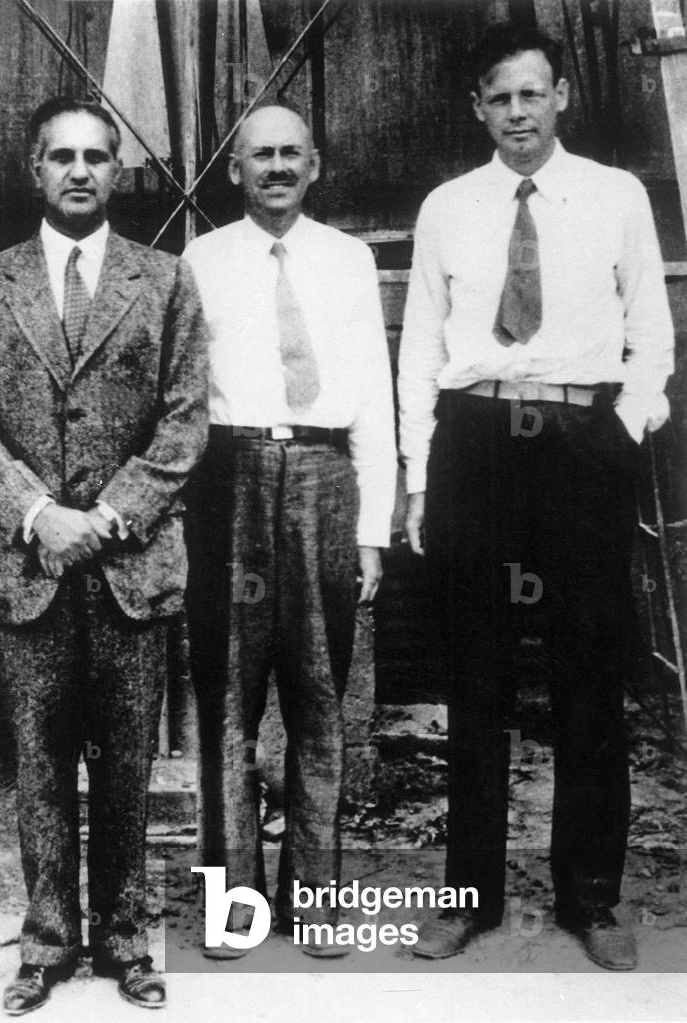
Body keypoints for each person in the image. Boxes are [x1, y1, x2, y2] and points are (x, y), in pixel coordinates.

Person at [398, 23, 673, 970]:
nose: (517, 113)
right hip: (477, 442)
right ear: (478, 107)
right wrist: (421, 474)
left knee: (589, 674)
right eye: (498, 97)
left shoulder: (616, 196)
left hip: (579, 442)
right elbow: (420, 351)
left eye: (532, 94)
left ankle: (591, 896)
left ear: (560, 96)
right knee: (476, 677)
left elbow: (653, 330)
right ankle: (466, 898)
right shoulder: (447, 208)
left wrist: (620, 429)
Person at [0, 97, 208, 1012]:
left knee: (128, 761)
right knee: (43, 760)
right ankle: (48, 943)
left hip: (131, 564)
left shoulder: (166, 280)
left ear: (120, 171)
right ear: (35, 168)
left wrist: (114, 513)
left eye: (98, 156)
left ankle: (128, 939)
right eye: (63, 156)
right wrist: (37, 514)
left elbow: (184, 420)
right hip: (32, 567)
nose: (81, 171)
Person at [182, 105, 396, 958]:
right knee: (227, 700)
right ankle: (236, 907)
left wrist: (372, 529)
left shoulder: (349, 260)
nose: (276, 167)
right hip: (226, 477)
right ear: (234, 171)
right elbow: (180, 396)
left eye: (291, 154)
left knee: (318, 694)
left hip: (324, 477)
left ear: (317, 165)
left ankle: (316, 900)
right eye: (259, 154)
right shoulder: (198, 261)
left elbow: (374, 400)